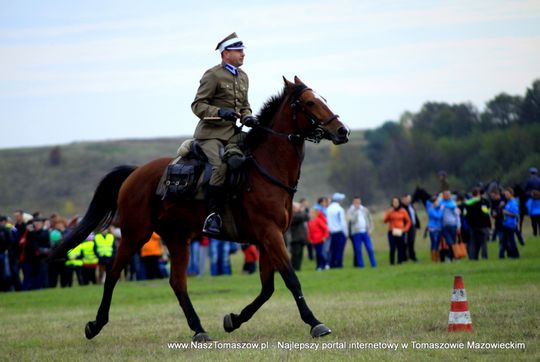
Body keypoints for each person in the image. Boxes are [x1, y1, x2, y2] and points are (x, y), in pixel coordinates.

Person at [191, 32, 258, 237]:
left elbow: (245, 106)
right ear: (226, 53)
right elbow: (197, 105)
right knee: (220, 166)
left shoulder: (244, 76)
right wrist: (219, 112)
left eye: (243, 50)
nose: (243, 54)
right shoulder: (213, 74)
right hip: (210, 134)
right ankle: (212, 216)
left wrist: (248, 117)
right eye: (239, 50)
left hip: (233, 134)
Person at [347, 196, 376, 268]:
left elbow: (370, 220)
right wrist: (356, 212)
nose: (357, 203)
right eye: (355, 202)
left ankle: (374, 264)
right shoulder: (351, 211)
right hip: (356, 233)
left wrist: (370, 229)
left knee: (370, 248)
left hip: (365, 232)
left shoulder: (364, 209)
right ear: (353, 203)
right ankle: (361, 266)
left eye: (358, 202)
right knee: (358, 250)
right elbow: (352, 220)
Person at [23, 217, 51, 290]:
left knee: (42, 273)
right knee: (32, 273)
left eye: (38, 224)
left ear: (42, 224)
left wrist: (32, 232)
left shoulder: (45, 232)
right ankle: (33, 287)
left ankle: (43, 287)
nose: (37, 225)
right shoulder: (30, 233)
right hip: (31, 257)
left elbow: (40, 238)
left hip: (42, 257)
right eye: (35, 224)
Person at [464, 188, 491, 260]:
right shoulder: (482, 202)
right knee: (483, 243)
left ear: (472, 195)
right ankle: (484, 257)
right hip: (482, 225)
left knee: (474, 243)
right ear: (478, 194)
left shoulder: (467, 203)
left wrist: (469, 222)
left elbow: (465, 214)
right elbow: (486, 213)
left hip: (473, 226)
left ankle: (473, 257)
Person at [383, 197, 411, 265]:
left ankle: (399, 262)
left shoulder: (403, 211)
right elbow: (385, 221)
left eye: (396, 202)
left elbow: (408, 221)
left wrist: (405, 229)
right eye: (394, 202)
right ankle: (392, 263)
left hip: (400, 231)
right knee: (392, 247)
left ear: (399, 203)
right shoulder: (389, 210)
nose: (395, 203)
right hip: (391, 231)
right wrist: (389, 214)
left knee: (400, 247)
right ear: (392, 203)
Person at [326, 193, 348, 268]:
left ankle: (332, 264)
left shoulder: (328, 209)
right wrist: (345, 233)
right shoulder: (339, 209)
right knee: (340, 249)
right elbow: (342, 222)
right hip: (339, 232)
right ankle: (339, 264)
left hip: (331, 232)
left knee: (333, 249)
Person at [440, 190, 461, 261]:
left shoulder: (453, 204)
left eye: (448, 195)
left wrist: (458, 226)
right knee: (449, 241)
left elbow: (457, 216)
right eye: (445, 195)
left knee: (453, 242)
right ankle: (451, 256)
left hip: (453, 225)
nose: (447, 196)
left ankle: (452, 257)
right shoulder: (441, 204)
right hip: (444, 226)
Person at [288, 202, 309, 271]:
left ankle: (297, 268)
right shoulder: (292, 215)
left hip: (301, 238)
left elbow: (307, 217)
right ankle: (294, 268)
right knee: (295, 254)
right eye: (297, 207)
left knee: (300, 254)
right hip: (295, 239)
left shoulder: (299, 214)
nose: (299, 208)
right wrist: (302, 210)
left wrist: (302, 211)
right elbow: (302, 217)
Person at [500, 187, 520, 259]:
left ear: (511, 194)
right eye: (505, 194)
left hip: (511, 224)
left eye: (507, 194)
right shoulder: (508, 202)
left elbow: (515, 214)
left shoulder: (513, 203)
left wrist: (506, 212)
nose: (506, 195)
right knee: (505, 241)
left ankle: (516, 255)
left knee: (511, 241)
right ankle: (508, 255)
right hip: (506, 224)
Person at [401, 194, 420, 262]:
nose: (409, 200)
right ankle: (405, 257)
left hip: (413, 226)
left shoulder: (411, 206)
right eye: (407, 199)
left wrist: (418, 225)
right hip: (406, 226)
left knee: (411, 242)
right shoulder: (402, 207)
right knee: (405, 243)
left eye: (409, 198)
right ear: (403, 199)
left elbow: (414, 215)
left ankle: (412, 256)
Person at [426, 196, 443, 262]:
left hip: (439, 228)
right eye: (437, 201)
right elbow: (438, 216)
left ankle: (437, 258)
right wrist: (441, 210)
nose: (438, 203)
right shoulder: (431, 209)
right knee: (434, 243)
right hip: (433, 228)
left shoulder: (437, 209)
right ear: (433, 202)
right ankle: (434, 259)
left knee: (438, 243)